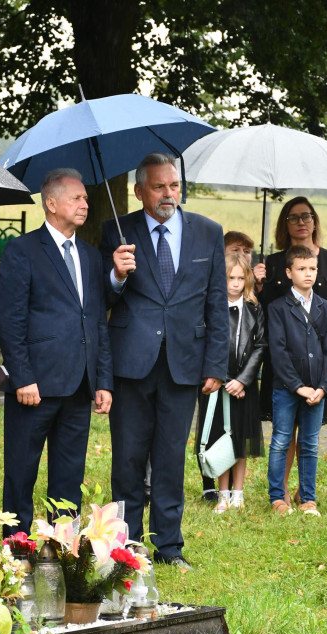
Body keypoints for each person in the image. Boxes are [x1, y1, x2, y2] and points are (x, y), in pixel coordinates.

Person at [102, 152, 229, 570]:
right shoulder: (116, 231)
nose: (168, 194)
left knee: (172, 457)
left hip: (185, 363)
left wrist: (215, 365)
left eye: (173, 185)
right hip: (131, 364)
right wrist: (117, 276)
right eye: (158, 187)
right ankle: (126, 545)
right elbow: (100, 299)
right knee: (128, 459)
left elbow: (215, 302)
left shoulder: (208, 233)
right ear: (140, 192)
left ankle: (169, 547)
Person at [0, 169, 113, 535]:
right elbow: (9, 320)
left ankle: (63, 550)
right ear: (51, 202)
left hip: (79, 385)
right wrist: (22, 376)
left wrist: (103, 380)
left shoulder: (92, 257)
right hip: (35, 386)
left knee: (69, 476)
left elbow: (97, 322)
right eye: (77, 198)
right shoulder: (22, 250)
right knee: (21, 472)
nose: (85, 204)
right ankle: (15, 551)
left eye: (86, 199)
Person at [258, 198, 327, 503]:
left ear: (315, 221)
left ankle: (304, 493)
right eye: (294, 217)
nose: (301, 222)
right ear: (285, 223)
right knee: (284, 433)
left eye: (307, 216)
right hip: (285, 360)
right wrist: (257, 284)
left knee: (310, 433)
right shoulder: (273, 262)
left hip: (321, 360)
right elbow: (265, 310)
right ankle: (279, 491)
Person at [265, 245, 327, 516]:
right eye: (301, 269)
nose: (308, 274)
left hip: (317, 389)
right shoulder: (277, 308)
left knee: (310, 443)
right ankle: (277, 497)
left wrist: (322, 387)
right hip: (286, 388)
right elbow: (278, 351)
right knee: (282, 440)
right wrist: (298, 385)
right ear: (289, 272)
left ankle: (308, 498)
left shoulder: (326, 308)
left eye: (312, 269)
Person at [196, 232, 267, 502]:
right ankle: (222, 492)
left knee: (242, 439)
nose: (235, 284)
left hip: (244, 386)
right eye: (230, 278)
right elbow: (207, 344)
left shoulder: (254, 308)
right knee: (218, 437)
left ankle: (238, 492)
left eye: (240, 278)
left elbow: (260, 345)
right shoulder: (210, 308)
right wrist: (224, 379)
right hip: (217, 383)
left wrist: (243, 380)